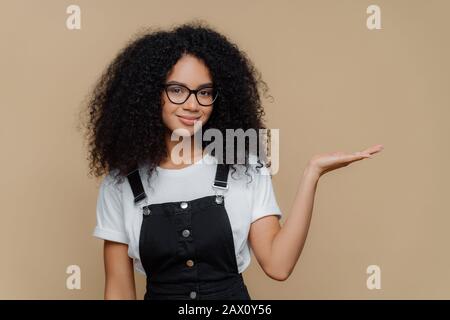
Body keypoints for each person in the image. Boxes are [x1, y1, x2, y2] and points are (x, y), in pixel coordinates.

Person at [83, 21, 384, 300]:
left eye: (204, 92)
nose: (192, 104)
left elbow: (278, 266)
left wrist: (312, 174)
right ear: (150, 93)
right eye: (176, 90)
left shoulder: (244, 168)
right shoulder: (120, 183)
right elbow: (119, 289)